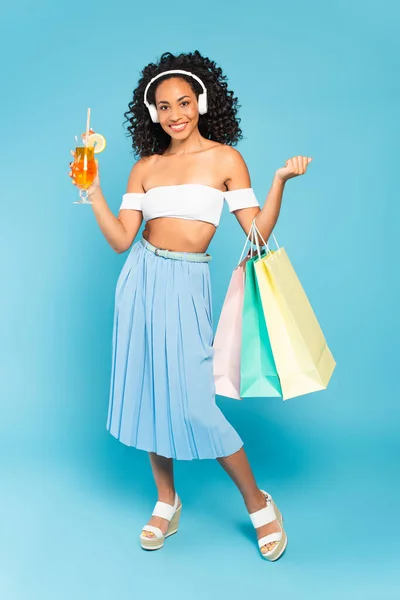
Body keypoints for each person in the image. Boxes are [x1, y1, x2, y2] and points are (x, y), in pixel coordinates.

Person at [69, 50, 312, 561]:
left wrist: (278, 185)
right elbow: (120, 240)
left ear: (201, 102)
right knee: (150, 392)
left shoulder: (225, 159)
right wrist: (93, 195)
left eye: (183, 101)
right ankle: (166, 500)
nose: (175, 113)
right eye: (163, 105)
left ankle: (258, 501)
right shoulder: (144, 168)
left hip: (187, 282)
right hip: (140, 278)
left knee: (195, 403)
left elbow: (256, 236)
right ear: (151, 112)